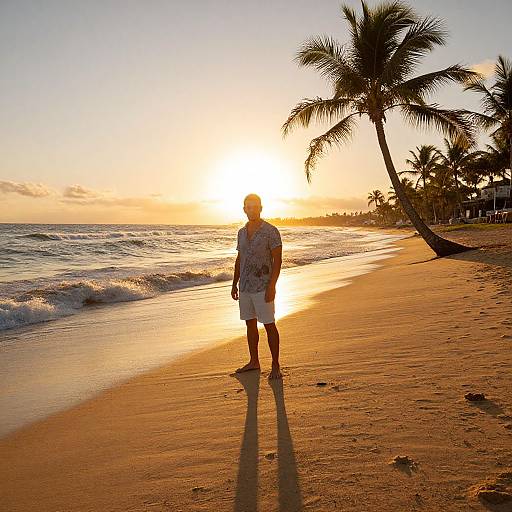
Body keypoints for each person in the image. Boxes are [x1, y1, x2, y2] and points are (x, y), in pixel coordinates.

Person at [231, 193, 283, 379]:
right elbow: (240, 259)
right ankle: (254, 361)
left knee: (269, 325)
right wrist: (234, 283)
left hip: (263, 286)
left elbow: (278, 260)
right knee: (250, 324)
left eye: (255, 206)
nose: (251, 210)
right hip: (245, 287)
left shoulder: (271, 231)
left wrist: (272, 286)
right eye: (248, 207)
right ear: (244, 209)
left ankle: (276, 365)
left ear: (261, 208)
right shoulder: (241, 233)